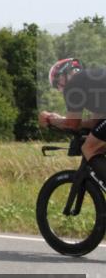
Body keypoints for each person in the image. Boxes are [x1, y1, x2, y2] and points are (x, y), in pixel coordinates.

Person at [39, 57, 106, 188]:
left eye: (58, 82)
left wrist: (50, 118)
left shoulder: (74, 84)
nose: (59, 88)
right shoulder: (91, 83)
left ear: (66, 73)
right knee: (99, 144)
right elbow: (95, 123)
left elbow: (72, 125)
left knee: (89, 148)